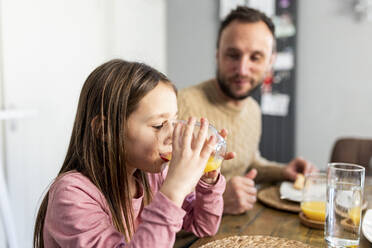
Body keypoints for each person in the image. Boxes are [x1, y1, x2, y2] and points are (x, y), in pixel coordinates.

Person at [33, 59, 231, 247]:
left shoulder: (151, 176)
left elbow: (204, 226)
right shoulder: (72, 194)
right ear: (105, 130)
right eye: (159, 124)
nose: (172, 135)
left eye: (174, 120)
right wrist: (174, 190)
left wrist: (209, 180)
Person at [177, 6, 317, 215]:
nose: (242, 69)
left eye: (255, 57)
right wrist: (214, 200)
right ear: (218, 55)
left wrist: (283, 171)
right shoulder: (180, 105)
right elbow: (150, 196)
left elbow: (248, 161)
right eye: (233, 55)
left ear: (270, 61)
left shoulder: (252, 110)